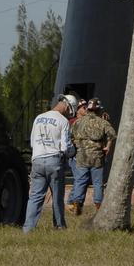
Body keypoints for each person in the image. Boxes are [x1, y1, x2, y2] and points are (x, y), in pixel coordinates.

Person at [22, 93, 78, 232]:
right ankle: (59, 226)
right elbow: (65, 147)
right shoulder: (63, 121)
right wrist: (73, 151)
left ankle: (28, 228)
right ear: (67, 106)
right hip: (54, 161)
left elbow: (32, 142)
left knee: (35, 197)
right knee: (57, 197)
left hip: (37, 159)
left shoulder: (39, 118)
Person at [67, 97, 116, 215]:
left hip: (82, 156)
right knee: (97, 182)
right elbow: (112, 135)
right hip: (97, 157)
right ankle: (99, 205)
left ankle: (77, 203)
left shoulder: (78, 122)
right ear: (98, 110)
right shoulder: (103, 122)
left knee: (80, 180)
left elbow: (70, 136)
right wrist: (108, 146)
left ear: (88, 109)